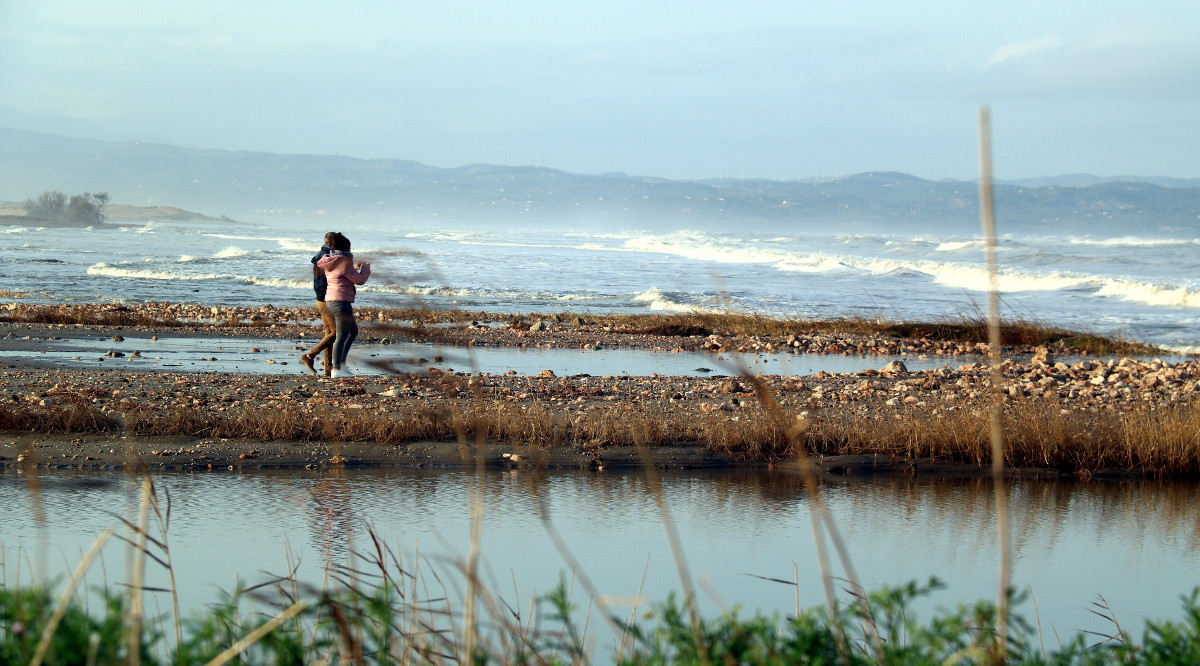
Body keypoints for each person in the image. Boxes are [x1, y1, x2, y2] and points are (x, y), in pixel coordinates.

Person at [316, 234, 370, 378]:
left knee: (352, 331)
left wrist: (354, 267)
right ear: (346, 248)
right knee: (341, 335)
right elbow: (359, 280)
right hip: (341, 302)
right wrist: (366, 269)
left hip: (331, 301)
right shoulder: (344, 261)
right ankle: (337, 368)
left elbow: (343, 272)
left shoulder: (330, 260)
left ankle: (341, 364)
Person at [300, 232, 338, 376]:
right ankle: (309, 355)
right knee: (337, 332)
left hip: (320, 300)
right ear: (333, 242)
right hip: (326, 300)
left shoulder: (321, 255)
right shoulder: (327, 257)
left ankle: (328, 369)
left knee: (329, 334)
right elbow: (326, 281)